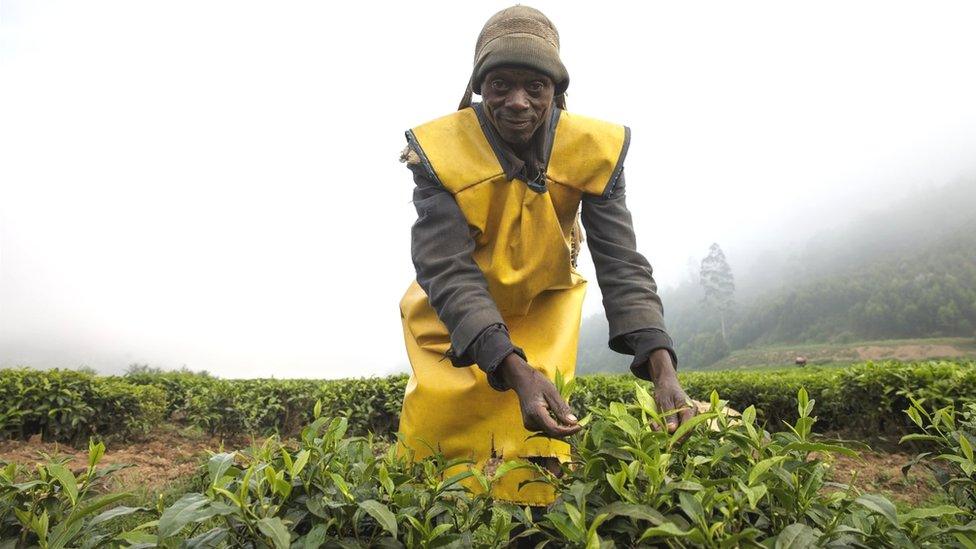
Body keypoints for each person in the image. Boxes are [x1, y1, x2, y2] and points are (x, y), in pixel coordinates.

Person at [396, 5, 695, 508]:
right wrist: (512, 368)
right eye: (499, 85)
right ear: (477, 88)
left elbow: (621, 262)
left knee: (536, 473)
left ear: (558, 93)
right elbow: (446, 269)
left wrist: (663, 368)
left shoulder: (592, 152)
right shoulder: (438, 154)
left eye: (535, 87)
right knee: (438, 471)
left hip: (542, 314)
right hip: (456, 322)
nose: (518, 102)